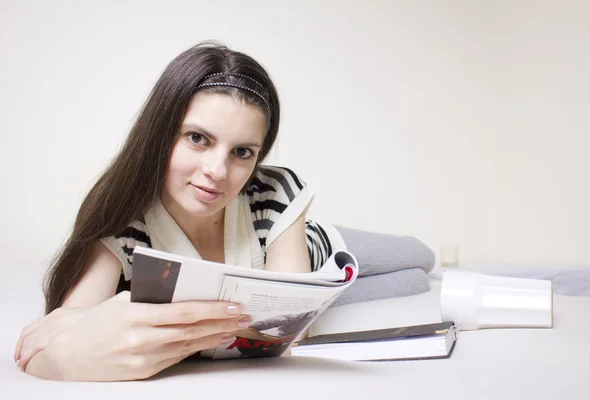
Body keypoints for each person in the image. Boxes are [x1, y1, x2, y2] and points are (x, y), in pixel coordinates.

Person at [13, 41, 348, 382]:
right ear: (161, 133)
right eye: (198, 139)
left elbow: (289, 332)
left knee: (406, 258)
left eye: (243, 152)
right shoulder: (125, 225)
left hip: (317, 245)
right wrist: (65, 344)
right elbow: (47, 351)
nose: (217, 171)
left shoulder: (275, 191)